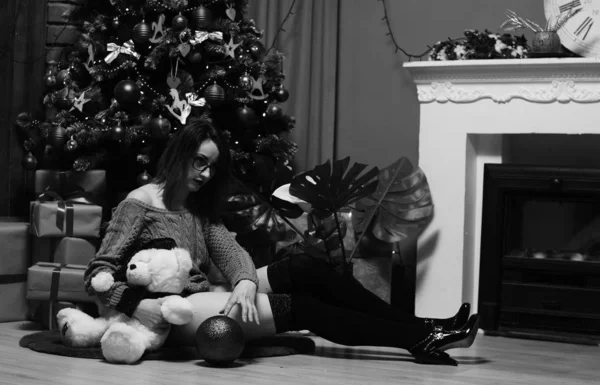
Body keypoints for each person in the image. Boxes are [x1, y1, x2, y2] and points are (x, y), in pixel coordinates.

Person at [84, 119, 479, 366]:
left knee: (306, 268)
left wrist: (244, 280)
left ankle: (427, 327)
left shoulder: (198, 208)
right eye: (198, 162)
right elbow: (97, 273)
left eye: (212, 167)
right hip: (171, 314)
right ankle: (417, 339)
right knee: (301, 308)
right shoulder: (139, 204)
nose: (204, 173)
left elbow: (230, 251)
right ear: (179, 156)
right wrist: (142, 303)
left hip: (203, 295)